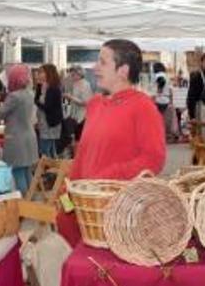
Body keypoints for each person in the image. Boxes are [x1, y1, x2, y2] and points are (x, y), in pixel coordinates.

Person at [58, 39, 166, 246]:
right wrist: (68, 191)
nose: (95, 67)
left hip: (116, 210)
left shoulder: (143, 107)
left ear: (123, 70)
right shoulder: (96, 104)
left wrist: (104, 179)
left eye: (102, 62)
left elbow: (153, 159)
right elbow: (83, 154)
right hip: (85, 205)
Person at [0, 64, 38, 192]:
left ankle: (23, 203)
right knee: (26, 171)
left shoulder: (14, 96)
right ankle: (30, 201)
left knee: (17, 171)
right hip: (29, 136)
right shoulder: (30, 93)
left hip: (16, 138)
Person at [35, 64, 63, 158]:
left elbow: (47, 107)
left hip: (50, 123)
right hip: (44, 122)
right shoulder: (43, 86)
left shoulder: (53, 88)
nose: (39, 74)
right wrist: (38, 86)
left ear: (49, 73)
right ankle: (53, 169)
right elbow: (36, 100)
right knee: (50, 149)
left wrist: (38, 103)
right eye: (39, 72)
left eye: (41, 72)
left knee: (45, 149)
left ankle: (49, 170)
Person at [64, 66, 93, 142]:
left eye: (73, 75)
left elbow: (86, 102)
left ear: (79, 74)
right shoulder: (75, 84)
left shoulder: (85, 85)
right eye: (71, 74)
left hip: (83, 116)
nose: (71, 76)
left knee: (80, 138)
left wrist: (71, 97)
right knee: (75, 138)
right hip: (75, 115)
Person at [186, 52, 205, 122]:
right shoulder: (196, 76)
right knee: (201, 130)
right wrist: (192, 115)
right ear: (202, 62)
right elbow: (191, 96)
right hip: (200, 108)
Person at [152, 62, 174, 141]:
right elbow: (171, 90)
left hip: (159, 100)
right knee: (162, 119)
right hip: (166, 100)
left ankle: (158, 136)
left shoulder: (159, 75)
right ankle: (162, 135)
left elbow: (161, 81)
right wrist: (171, 101)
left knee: (157, 120)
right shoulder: (166, 76)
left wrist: (159, 90)